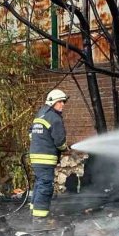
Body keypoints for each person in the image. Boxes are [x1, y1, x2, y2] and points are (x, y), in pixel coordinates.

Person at [28, 89, 69, 219]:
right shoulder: (55, 118)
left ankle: (34, 210)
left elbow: (31, 132)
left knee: (40, 182)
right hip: (46, 158)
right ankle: (40, 218)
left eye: (63, 102)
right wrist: (64, 148)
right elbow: (59, 141)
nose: (63, 104)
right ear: (52, 102)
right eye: (60, 102)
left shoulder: (41, 113)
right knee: (45, 185)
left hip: (35, 156)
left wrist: (39, 142)